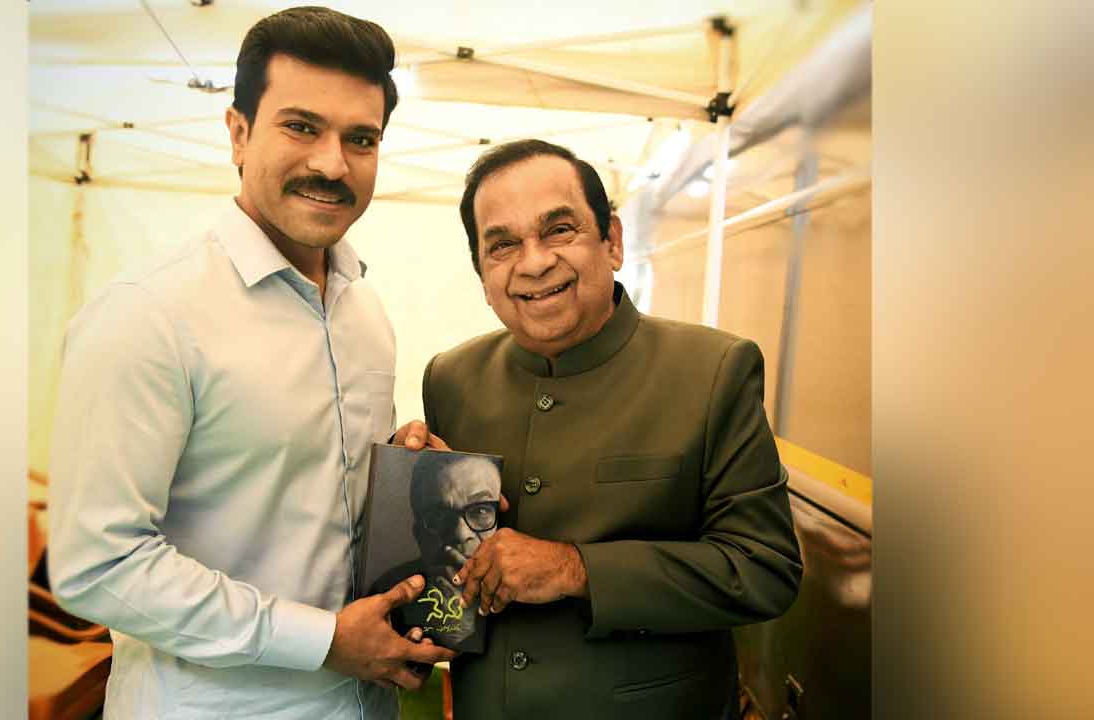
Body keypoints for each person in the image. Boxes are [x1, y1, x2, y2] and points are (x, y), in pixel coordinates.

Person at [46, 7, 454, 720]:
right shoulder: (148, 314)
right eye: (302, 127)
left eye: (361, 139)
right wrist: (321, 640)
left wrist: (401, 473)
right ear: (238, 133)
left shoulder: (365, 314)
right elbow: (97, 565)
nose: (332, 163)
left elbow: (306, 496)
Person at [394, 139, 804, 719]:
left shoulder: (713, 370)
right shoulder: (451, 378)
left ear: (612, 240)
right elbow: (446, 563)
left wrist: (574, 569)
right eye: (503, 245)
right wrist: (407, 485)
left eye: (559, 230)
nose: (534, 262)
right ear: (481, 273)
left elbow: (764, 569)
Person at [369, 451, 501, 649]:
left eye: (481, 511)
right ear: (419, 534)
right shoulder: (385, 596)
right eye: (439, 516)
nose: (460, 534)